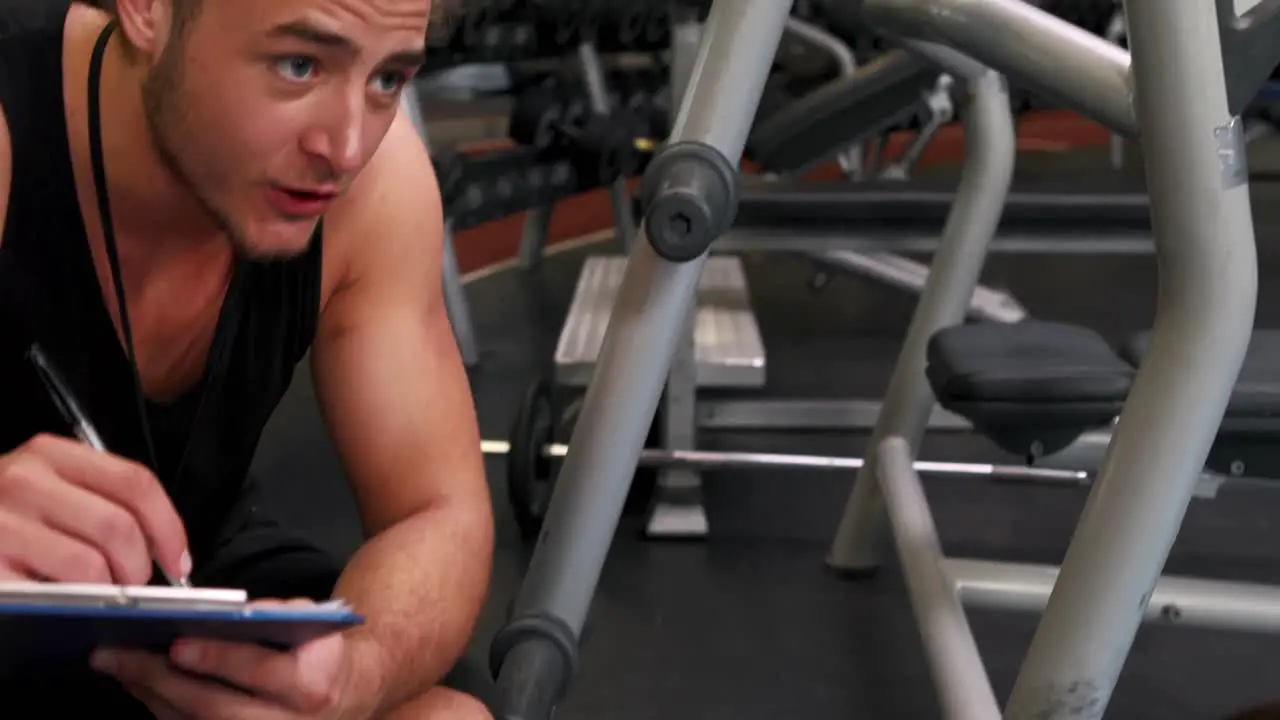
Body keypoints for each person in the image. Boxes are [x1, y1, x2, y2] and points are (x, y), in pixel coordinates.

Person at [0, 0, 496, 717]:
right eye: (299, 66)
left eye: (387, 80)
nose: (346, 147)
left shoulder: (373, 191)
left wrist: (353, 677)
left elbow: (437, 511)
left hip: (182, 581)